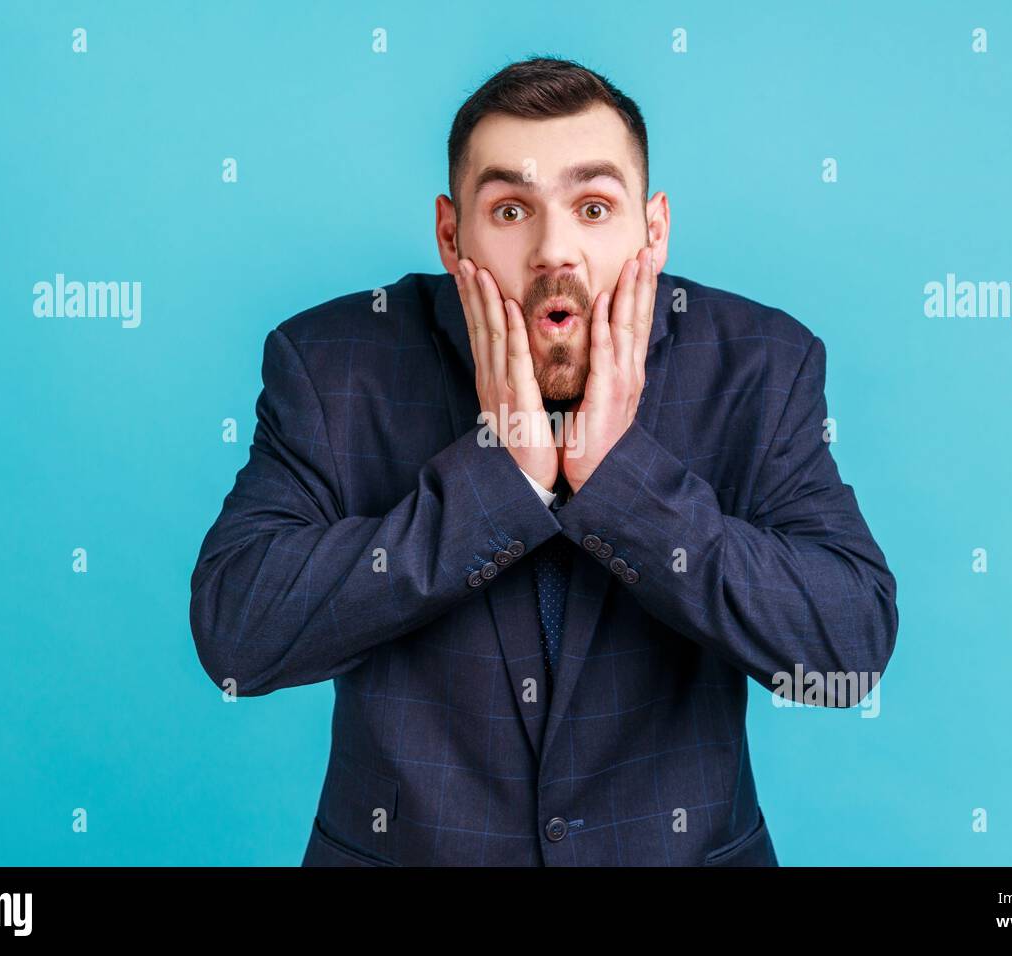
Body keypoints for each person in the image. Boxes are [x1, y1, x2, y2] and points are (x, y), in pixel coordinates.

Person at [189, 56, 898, 866]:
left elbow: (848, 649)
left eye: (593, 207)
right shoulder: (334, 365)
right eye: (512, 209)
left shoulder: (760, 365)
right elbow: (237, 636)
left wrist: (624, 481)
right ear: (452, 234)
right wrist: (502, 481)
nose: (553, 251)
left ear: (653, 229)